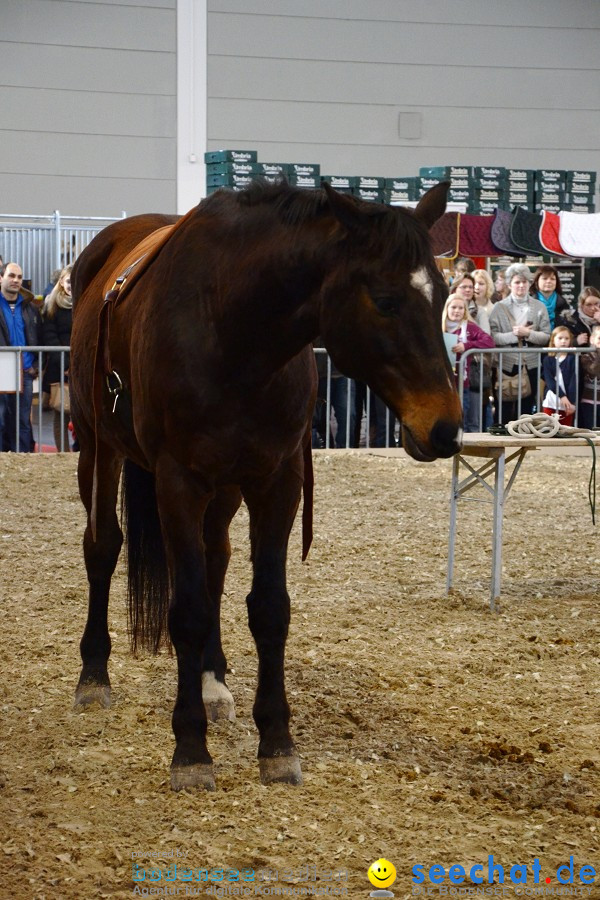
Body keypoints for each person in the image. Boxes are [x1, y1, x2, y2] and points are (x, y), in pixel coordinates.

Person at [489, 263, 551, 423]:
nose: (521, 285)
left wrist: (528, 333)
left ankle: (523, 443)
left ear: (530, 283)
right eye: (517, 282)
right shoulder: (498, 307)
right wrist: (513, 335)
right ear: (509, 284)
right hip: (506, 364)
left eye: (524, 282)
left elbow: (546, 336)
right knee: (503, 410)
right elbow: (492, 337)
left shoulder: (539, 307)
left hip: (531, 363)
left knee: (526, 411)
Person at [0, 262, 43, 451]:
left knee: (23, 421)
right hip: (1, 372)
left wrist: (36, 364)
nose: (16, 280)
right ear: (1, 278)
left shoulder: (30, 308)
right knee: (1, 419)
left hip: (24, 372)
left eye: (19, 277)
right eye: (11, 276)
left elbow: (39, 337)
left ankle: (25, 459)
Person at [442, 293, 494, 432]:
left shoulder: (469, 327)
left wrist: (466, 346)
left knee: (461, 417)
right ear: (447, 308)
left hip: (461, 383)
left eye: (461, 308)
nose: (457, 311)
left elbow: (489, 341)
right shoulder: (438, 326)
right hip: (442, 382)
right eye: (453, 307)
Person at [42, 264, 73, 450]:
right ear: (61, 282)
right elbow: (49, 337)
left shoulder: (84, 303)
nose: (72, 285)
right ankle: (63, 452)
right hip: (59, 367)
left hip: (80, 367)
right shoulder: (51, 306)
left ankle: (80, 450)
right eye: (69, 281)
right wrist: (67, 365)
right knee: (61, 414)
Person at [311, 339, 356, 448]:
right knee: (318, 418)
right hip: (320, 375)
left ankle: (345, 451)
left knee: (348, 415)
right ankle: (324, 448)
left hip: (343, 374)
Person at [541, 326, 577, 426]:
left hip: (567, 404)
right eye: (560, 338)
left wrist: (572, 402)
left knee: (565, 431)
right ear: (553, 340)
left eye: (566, 338)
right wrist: (562, 396)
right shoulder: (548, 359)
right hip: (551, 401)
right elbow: (550, 381)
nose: (563, 341)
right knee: (549, 429)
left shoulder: (573, 359)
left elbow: (573, 381)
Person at [530, 265, 568, 330]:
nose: (548, 281)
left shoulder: (563, 304)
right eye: (545, 278)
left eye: (552, 279)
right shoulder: (529, 302)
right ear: (537, 281)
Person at [579, 325, 600, 429]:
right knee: (591, 429)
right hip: (589, 400)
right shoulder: (586, 356)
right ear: (592, 339)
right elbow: (593, 371)